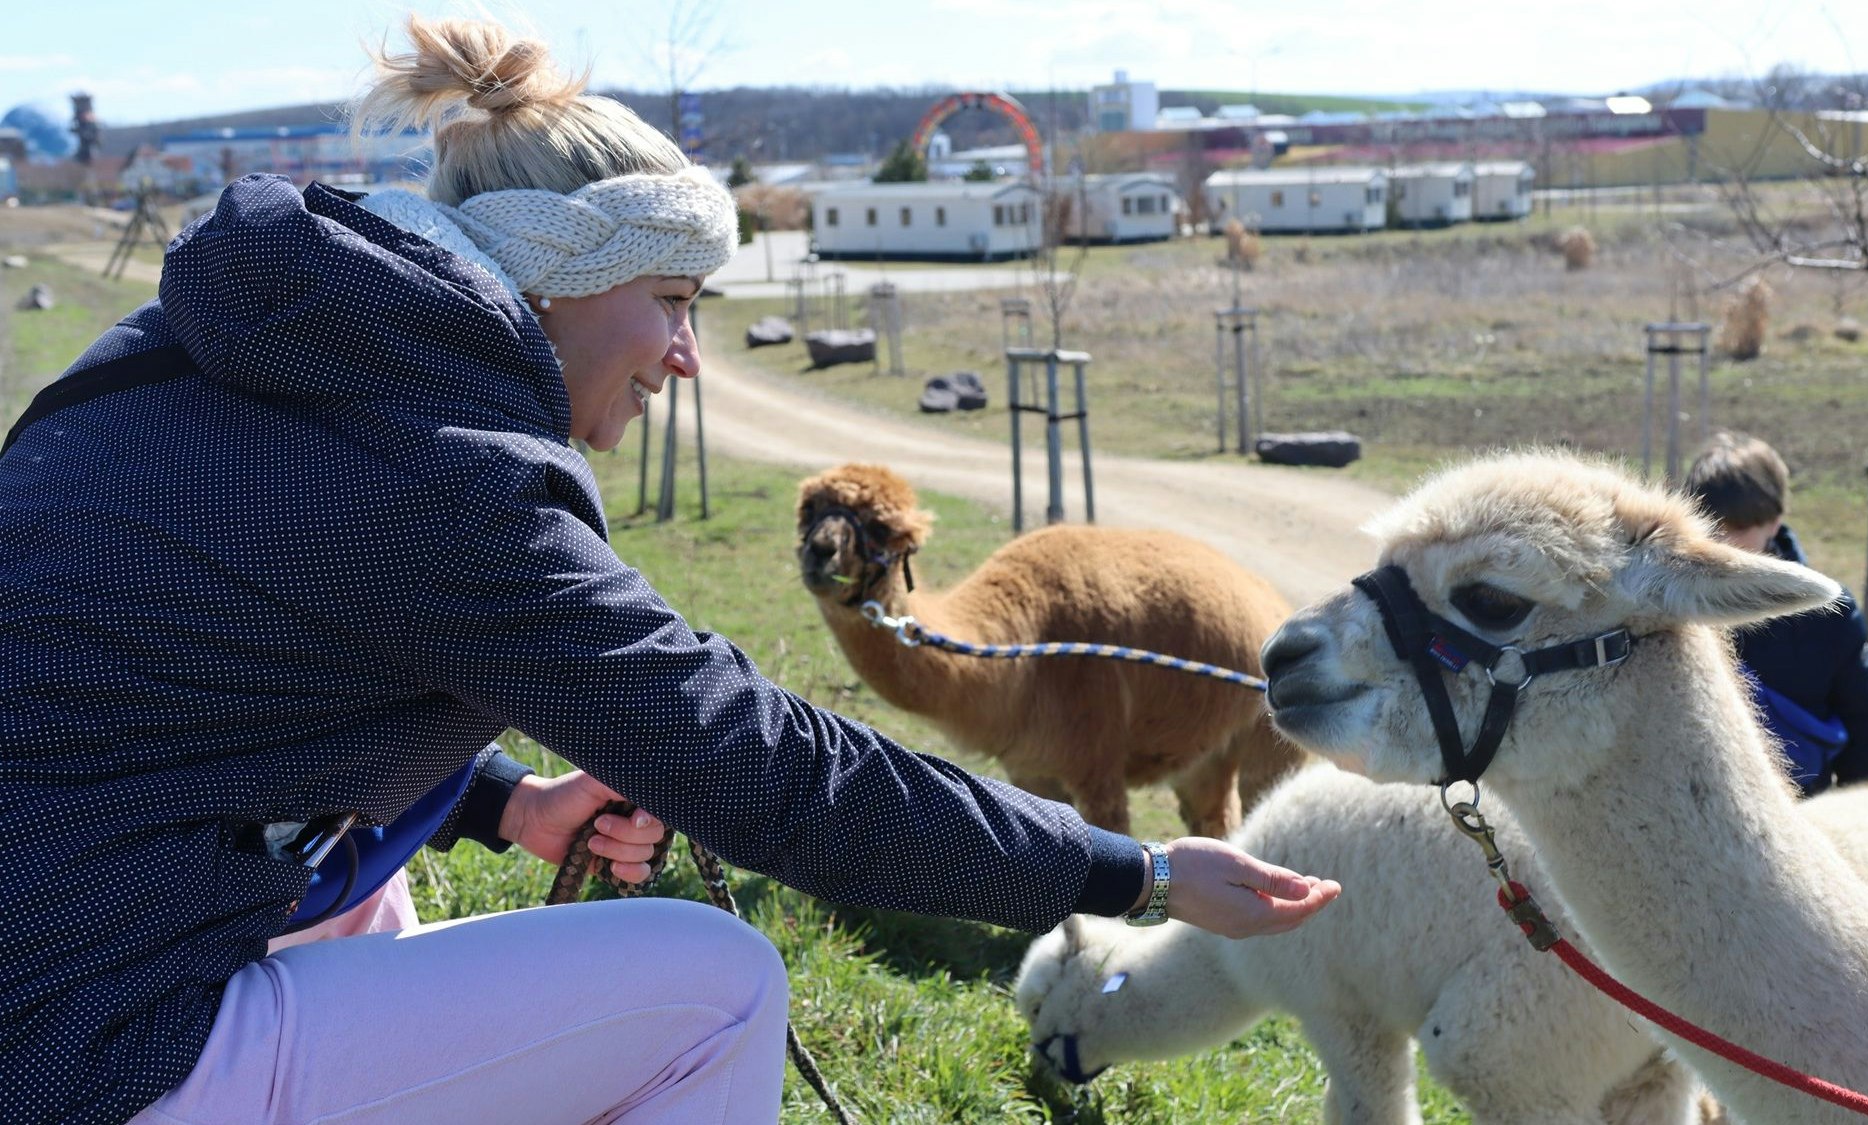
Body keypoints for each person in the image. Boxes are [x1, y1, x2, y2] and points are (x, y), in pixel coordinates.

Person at [0, 17, 1340, 1125]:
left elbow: (249, 662)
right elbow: (768, 772)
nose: (689, 357)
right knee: (719, 983)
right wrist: (1140, 877)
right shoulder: (455, 476)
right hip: (86, 1033)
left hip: (65, 915)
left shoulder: (220, 346)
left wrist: (507, 806)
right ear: (562, 269)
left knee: (378, 900)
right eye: (680, 300)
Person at [1683, 431, 1868, 796]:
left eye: (1741, 527)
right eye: (1712, 527)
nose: (1725, 544)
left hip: (1803, 814)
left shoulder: (1829, 612)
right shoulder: (1676, 608)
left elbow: (1864, 733)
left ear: (1774, 522)